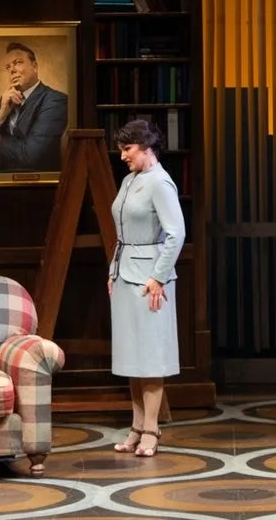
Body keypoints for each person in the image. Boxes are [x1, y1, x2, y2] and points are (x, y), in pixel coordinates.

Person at [106, 118, 185, 459]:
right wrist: (113, 271)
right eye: (121, 149)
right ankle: (137, 426)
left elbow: (176, 234)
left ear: (147, 147)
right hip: (126, 276)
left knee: (151, 358)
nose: (123, 155)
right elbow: (122, 233)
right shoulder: (129, 181)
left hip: (150, 282)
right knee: (132, 358)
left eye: (128, 149)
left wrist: (158, 276)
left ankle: (152, 429)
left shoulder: (159, 183)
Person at [0, 41, 70, 173]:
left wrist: (2, 141)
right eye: (8, 67)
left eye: (17, 62)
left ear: (34, 67)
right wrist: (1, 115)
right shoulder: (8, 97)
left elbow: (32, 156)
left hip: (37, 180)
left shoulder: (55, 100)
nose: (11, 70)